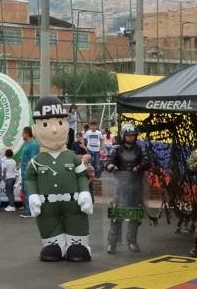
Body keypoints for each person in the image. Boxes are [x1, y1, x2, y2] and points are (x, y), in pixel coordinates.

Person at [26, 96, 93, 263]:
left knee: (76, 219)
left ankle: (77, 244)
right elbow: (30, 179)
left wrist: (84, 192)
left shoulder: (72, 157)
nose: (54, 130)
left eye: (60, 123)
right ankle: (53, 244)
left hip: (73, 202)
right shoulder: (36, 161)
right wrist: (33, 195)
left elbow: (81, 175)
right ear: (35, 130)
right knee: (48, 221)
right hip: (47, 204)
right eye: (46, 125)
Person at [105, 123, 151, 255]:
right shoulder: (116, 149)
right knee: (116, 215)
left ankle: (132, 241)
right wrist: (111, 166)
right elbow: (107, 162)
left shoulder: (140, 149)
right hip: (120, 186)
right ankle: (112, 243)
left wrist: (140, 167)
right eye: (128, 135)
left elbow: (148, 162)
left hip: (136, 185)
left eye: (132, 135)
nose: (130, 137)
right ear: (123, 136)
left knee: (134, 216)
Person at [19, 127, 40, 218]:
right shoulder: (26, 143)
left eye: (23, 133)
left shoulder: (33, 145)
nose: (22, 135)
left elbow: (33, 159)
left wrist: (30, 171)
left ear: (27, 133)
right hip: (23, 172)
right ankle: (27, 207)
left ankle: (30, 211)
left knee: (29, 192)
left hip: (29, 173)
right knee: (24, 191)